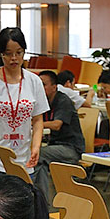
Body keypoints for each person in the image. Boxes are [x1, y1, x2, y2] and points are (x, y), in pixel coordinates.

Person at [0, 27, 49, 173]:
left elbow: (38, 120)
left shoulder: (34, 81)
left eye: (19, 53)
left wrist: (36, 147)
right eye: (8, 53)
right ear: (0, 53)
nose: (14, 58)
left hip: (23, 157)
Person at [34, 70, 85, 200]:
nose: (40, 88)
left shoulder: (63, 100)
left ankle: (42, 201)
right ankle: (40, 199)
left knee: (38, 154)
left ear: (54, 87)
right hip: (55, 146)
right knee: (36, 158)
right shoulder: (43, 102)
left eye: (43, 85)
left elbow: (57, 124)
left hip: (71, 149)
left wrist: (36, 124)